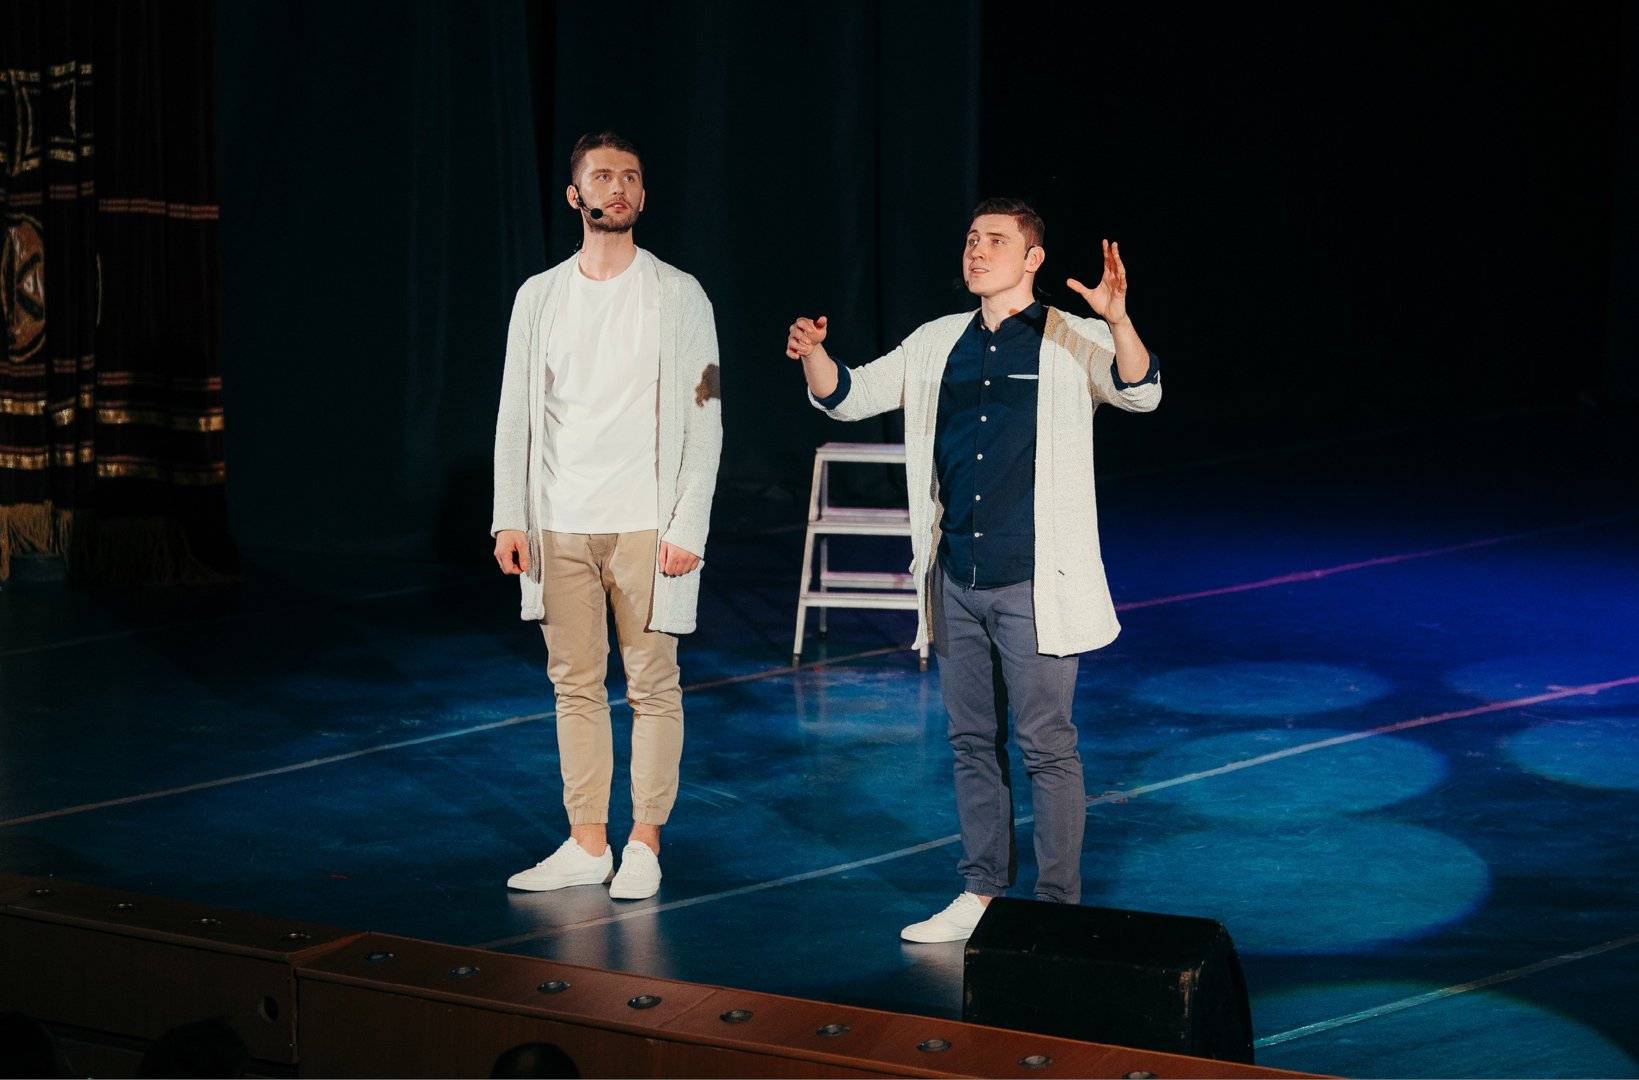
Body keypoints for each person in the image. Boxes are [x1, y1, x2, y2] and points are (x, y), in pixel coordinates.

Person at [785, 198, 1161, 942]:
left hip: (1036, 584)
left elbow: (1141, 391)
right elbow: (851, 396)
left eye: (995, 241)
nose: (977, 251)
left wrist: (1119, 321)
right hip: (955, 578)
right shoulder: (938, 342)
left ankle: (1054, 912)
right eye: (970, 240)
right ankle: (981, 892)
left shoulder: (1071, 336)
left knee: (1046, 746)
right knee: (969, 743)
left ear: (1032, 259)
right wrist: (816, 357)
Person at [493, 131, 722, 901]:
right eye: (601, 176)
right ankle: (586, 842)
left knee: (653, 685)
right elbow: (515, 412)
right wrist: (509, 516)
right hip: (558, 520)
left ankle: (644, 842)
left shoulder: (679, 294)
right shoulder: (539, 295)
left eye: (629, 176)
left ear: (642, 195)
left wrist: (687, 525)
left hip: (645, 523)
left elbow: (706, 415)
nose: (616, 186)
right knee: (575, 684)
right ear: (575, 195)